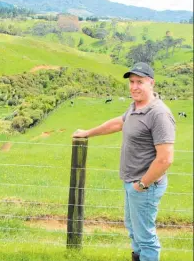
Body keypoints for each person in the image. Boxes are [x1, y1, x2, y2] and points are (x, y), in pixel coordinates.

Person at [72, 62, 175, 261]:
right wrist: (87, 133)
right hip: (132, 183)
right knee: (134, 232)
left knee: (146, 239)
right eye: (132, 82)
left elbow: (165, 158)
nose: (134, 86)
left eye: (140, 82)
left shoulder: (159, 114)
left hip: (145, 186)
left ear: (151, 83)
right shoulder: (136, 107)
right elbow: (119, 123)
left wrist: (142, 185)